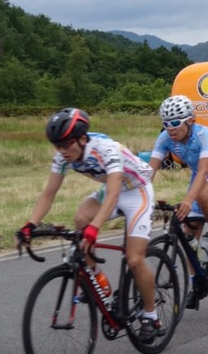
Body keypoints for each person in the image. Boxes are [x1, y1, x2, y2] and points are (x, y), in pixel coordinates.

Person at [16, 108, 163, 341]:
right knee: (81, 220)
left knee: (134, 259)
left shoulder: (107, 149)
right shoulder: (62, 157)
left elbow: (113, 194)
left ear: (82, 139)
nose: (62, 152)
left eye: (66, 145)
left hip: (137, 191)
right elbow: (48, 194)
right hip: (113, 190)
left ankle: (151, 315)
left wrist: (95, 228)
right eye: (57, 146)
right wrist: (30, 225)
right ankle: (98, 280)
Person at [149, 94, 208, 308]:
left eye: (175, 122)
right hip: (199, 178)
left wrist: (188, 201)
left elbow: (205, 171)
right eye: (165, 123)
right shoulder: (165, 138)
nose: (170, 128)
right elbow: (149, 171)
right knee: (188, 234)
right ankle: (197, 282)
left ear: (190, 120)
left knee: (202, 196)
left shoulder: (204, 135)